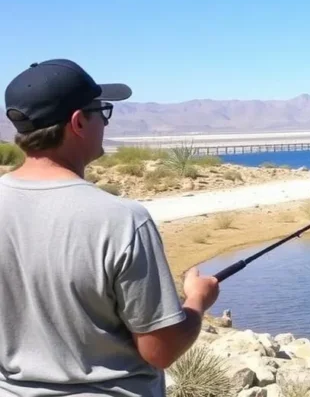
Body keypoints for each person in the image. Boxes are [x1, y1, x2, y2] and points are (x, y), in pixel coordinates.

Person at [0, 59, 220, 397]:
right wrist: (197, 300)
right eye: (102, 111)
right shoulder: (123, 220)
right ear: (78, 122)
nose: (105, 122)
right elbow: (159, 350)